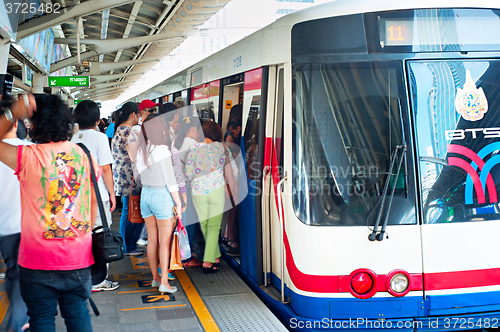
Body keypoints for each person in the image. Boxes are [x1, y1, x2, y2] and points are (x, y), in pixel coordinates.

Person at [0, 94, 98, 331]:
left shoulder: (28, 157)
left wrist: (13, 112)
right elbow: (93, 203)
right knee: (78, 316)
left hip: (36, 259)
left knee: (41, 319)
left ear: (32, 125)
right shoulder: (83, 154)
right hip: (78, 257)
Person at [71, 100, 120, 292]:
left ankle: (84, 276)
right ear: (97, 119)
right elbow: (106, 169)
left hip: (77, 198)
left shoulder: (72, 138)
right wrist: (112, 194)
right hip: (97, 197)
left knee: (84, 238)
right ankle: (99, 280)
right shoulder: (99, 138)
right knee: (101, 238)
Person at [136, 114, 182, 293]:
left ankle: (155, 278)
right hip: (161, 195)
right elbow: (171, 181)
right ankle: (164, 281)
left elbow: (139, 176)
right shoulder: (163, 150)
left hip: (145, 196)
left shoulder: (142, 149)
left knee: (152, 241)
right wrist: (178, 203)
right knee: (165, 242)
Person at [185, 121, 238, 273]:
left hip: (198, 192)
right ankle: (211, 259)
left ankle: (211, 259)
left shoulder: (194, 148)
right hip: (217, 190)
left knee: (205, 225)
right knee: (214, 226)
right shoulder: (223, 148)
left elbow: (188, 173)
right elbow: (233, 171)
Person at [0, 97, 30, 332]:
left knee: (13, 272)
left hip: (4, 228)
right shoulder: (28, 150)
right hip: (28, 226)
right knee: (23, 276)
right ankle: (19, 321)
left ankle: (20, 318)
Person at [111, 102, 143, 256]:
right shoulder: (128, 133)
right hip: (130, 179)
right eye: (139, 114)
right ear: (133, 115)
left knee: (127, 210)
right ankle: (128, 246)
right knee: (130, 210)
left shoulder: (119, 130)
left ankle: (127, 244)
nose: (140, 117)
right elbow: (135, 157)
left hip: (121, 178)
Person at [174, 115, 204, 267]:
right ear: (193, 129)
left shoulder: (177, 141)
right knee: (190, 221)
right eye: (199, 131)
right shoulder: (193, 143)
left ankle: (184, 253)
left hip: (177, 186)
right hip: (188, 186)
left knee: (182, 220)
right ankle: (187, 257)